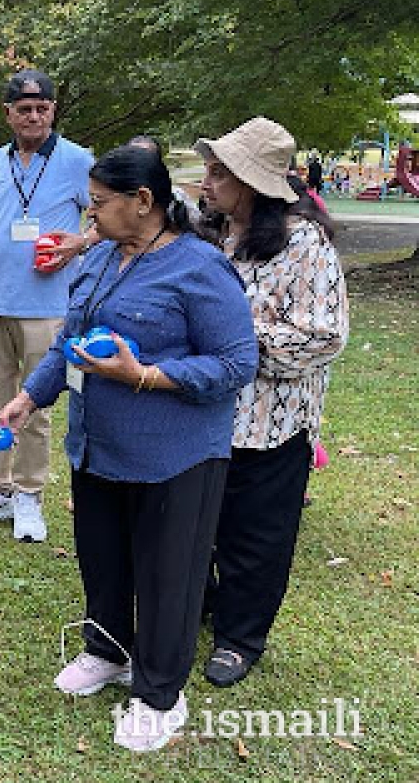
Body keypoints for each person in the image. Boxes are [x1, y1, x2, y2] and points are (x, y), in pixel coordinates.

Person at [0, 145, 257, 752]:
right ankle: (107, 650)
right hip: (98, 446)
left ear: (143, 203)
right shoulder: (98, 259)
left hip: (175, 454)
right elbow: (68, 344)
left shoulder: (198, 268)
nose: (91, 215)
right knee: (103, 556)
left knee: (169, 573)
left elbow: (237, 362)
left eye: (100, 204)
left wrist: (145, 376)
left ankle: (161, 692)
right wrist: (27, 400)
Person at [195, 117, 348, 687]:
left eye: (218, 173)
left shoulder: (303, 243)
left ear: (251, 183)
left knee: (255, 534)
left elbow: (322, 335)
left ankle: (240, 637)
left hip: (270, 421)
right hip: (204, 413)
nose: (206, 183)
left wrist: (235, 341)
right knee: (202, 521)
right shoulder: (211, 236)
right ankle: (204, 607)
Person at [0, 69, 93, 542]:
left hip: (48, 308)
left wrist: (77, 244)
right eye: (24, 109)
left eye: (43, 108)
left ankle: (29, 496)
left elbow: (111, 219)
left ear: (52, 110)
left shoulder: (76, 161)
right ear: (8, 114)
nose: (34, 116)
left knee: (37, 406)